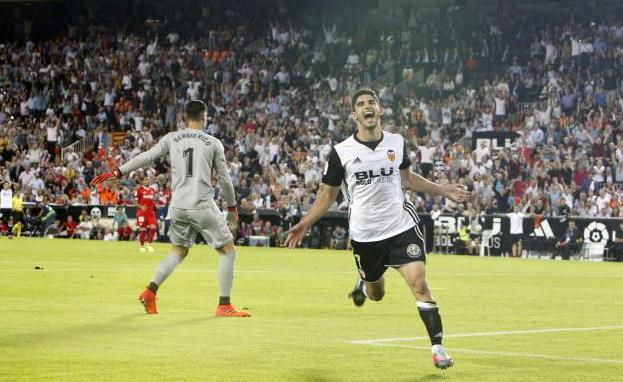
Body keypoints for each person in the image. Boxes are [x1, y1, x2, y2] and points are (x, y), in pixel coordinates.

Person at [285, 88, 469, 370]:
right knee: (377, 293)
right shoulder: (341, 152)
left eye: (372, 102)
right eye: (361, 104)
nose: (367, 107)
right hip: (365, 236)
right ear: (354, 114)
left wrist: (442, 190)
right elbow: (327, 195)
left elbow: (407, 178)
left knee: (419, 284)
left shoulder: (396, 142)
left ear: (380, 110)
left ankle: (438, 347)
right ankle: (365, 283)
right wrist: (305, 223)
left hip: (400, 226)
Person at [91, 100, 249, 317]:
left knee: (178, 252)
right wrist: (232, 207)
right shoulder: (213, 143)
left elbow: (146, 157)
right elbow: (224, 178)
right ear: (204, 116)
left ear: (185, 117)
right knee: (228, 251)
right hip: (202, 204)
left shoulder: (172, 138)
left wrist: (118, 172)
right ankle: (224, 305)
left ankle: (150, 292)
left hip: (178, 206)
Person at [135, 177, 158, 252]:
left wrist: (155, 206)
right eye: (146, 180)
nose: (147, 181)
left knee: (153, 227)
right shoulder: (139, 190)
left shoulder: (152, 190)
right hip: (142, 213)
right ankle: (141, 246)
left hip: (150, 213)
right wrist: (141, 207)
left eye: (148, 180)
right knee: (143, 230)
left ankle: (149, 244)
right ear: (143, 181)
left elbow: (152, 201)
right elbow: (135, 202)